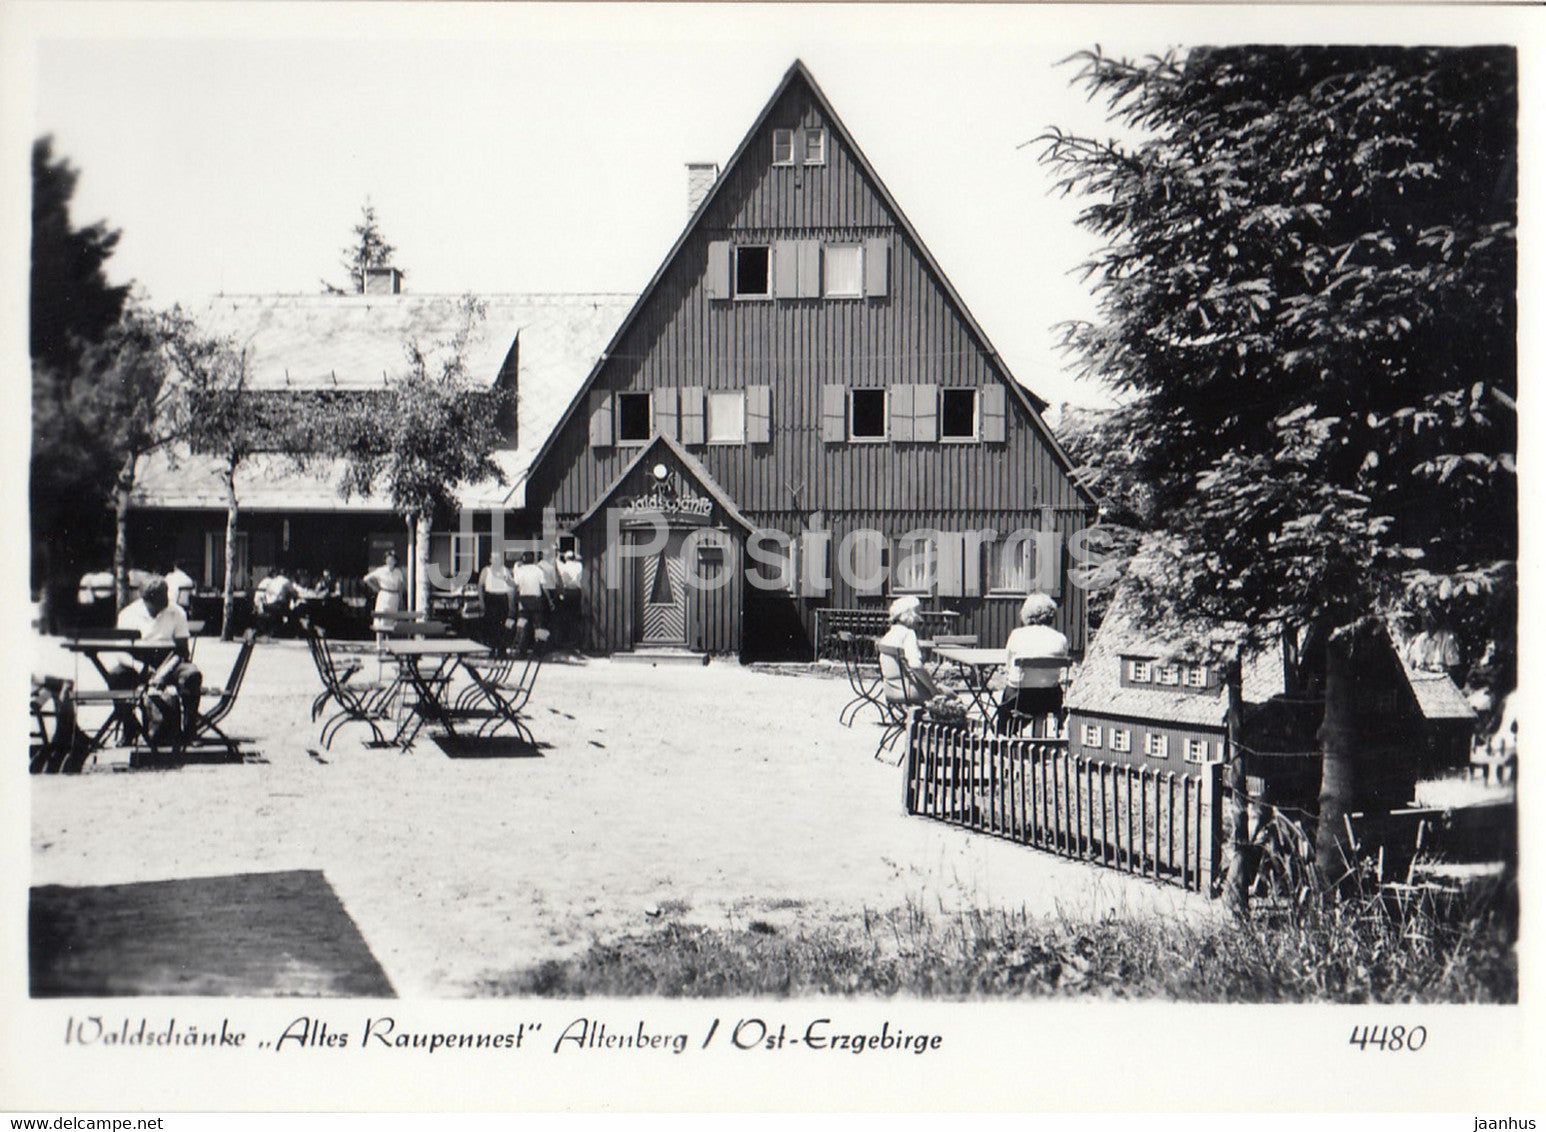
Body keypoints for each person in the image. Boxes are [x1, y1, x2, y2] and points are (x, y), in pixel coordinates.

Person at [110, 576, 203, 747]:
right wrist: (139, 667)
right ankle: (130, 729)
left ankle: (190, 732)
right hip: (138, 661)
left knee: (191, 675)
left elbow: (182, 649)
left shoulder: (177, 612)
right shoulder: (128, 614)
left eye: (165, 597)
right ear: (145, 599)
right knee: (116, 677)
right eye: (159, 601)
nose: (164, 603)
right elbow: (120, 652)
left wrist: (164, 672)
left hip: (170, 660)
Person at [997, 593, 1071, 736]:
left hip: (1020, 698)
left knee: (1009, 694)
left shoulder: (1017, 635)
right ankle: (1038, 737)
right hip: (1050, 698)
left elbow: (1008, 664)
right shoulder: (1060, 638)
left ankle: (1004, 735)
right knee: (1050, 688)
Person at [877, 596, 945, 705]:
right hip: (910, 691)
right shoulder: (908, 634)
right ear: (910, 615)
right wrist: (933, 689)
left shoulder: (888, 636)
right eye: (918, 614)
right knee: (950, 694)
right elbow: (915, 665)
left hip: (890, 690)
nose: (919, 619)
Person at [363, 550, 407, 640]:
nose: (391, 561)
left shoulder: (398, 572)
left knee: (391, 622)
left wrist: (401, 600)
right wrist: (375, 588)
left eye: (393, 560)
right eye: (389, 559)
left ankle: (388, 646)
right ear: (386, 560)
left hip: (394, 597)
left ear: (395, 561)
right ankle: (379, 644)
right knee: (381, 621)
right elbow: (366, 579)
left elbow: (400, 587)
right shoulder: (381, 570)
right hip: (384, 595)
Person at [477, 548, 515, 653]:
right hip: (491, 599)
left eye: (498, 558)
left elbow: (512, 587)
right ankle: (492, 649)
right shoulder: (486, 570)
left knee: (503, 625)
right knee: (491, 625)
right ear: (490, 559)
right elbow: (480, 586)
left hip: (502, 599)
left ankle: (502, 649)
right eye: (494, 558)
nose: (496, 560)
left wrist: (511, 604)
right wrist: (481, 601)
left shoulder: (505, 570)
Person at [513, 550, 548, 654]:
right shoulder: (538, 570)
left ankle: (521, 647)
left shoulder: (520, 570)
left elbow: (516, 585)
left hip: (524, 598)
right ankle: (538, 649)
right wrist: (549, 600)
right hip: (536, 599)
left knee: (522, 623)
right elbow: (543, 586)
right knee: (538, 624)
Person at [253, 565, 298, 637]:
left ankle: (277, 630)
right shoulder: (286, 581)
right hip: (278, 606)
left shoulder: (272, 581)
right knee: (293, 612)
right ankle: (291, 631)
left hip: (268, 605)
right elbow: (294, 593)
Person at [557, 549, 583, 647]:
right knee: (576, 616)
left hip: (567, 592)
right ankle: (575, 639)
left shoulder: (563, 566)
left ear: (566, 558)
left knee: (566, 616)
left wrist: (556, 553)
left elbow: (557, 563)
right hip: (577, 591)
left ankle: (566, 639)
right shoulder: (579, 566)